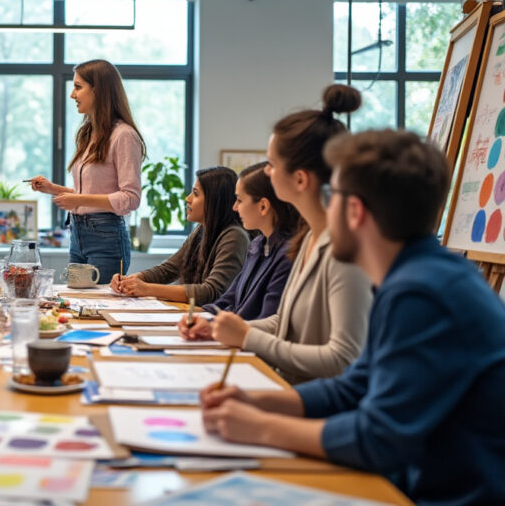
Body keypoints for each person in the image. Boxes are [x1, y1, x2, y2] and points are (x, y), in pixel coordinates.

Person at [201, 129, 505, 506]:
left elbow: (378, 439)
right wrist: (260, 401)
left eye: (332, 198)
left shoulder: (422, 293)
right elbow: (354, 385)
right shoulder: (414, 274)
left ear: (355, 212)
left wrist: (261, 428)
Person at [209, 85, 372, 384]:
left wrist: (246, 336)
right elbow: (285, 322)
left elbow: (343, 358)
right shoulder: (310, 237)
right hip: (289, 387)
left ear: (299, 178)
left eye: (272, 164)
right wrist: (217, 325)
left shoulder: (345, 250)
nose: (267, 173)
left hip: (315, 405)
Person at [29, 59, 145, 283]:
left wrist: (78, 199)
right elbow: (94, 191)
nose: (72, 94)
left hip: (106, 237)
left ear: (98, 89)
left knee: (97, 308)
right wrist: (53, 189)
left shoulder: (124, 135)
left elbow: (131, 198)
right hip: (78, 234)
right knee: (77, 307)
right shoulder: (89, 134)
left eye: (78, 87)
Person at [179, 162, 299, 339]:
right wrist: (203, 318)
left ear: (263, 207)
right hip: (236, 337)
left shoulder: (286, 254)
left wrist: (213, 326)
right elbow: (229, 299)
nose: (234, 207)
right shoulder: (257, 244)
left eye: (239, 200)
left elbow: (265, 319)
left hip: (252, 345)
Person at [113, 167, 249, 303]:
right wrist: (132, 280)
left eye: (195, 194)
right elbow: (169, 269)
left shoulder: (234, 236)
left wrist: (146, 289)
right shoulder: (201, 229)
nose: (188, 198)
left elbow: (211, 291)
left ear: (215, 200)